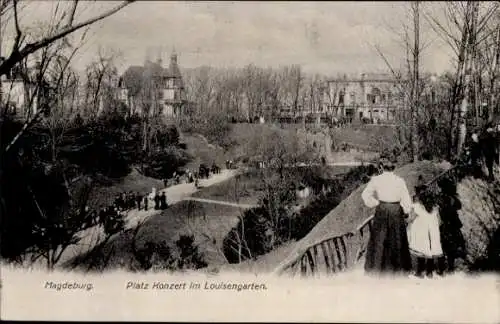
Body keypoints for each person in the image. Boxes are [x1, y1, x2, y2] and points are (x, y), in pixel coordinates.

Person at [361, 155, 413, 276]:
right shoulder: (400, 181)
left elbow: (365, 195)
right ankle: (397, 269)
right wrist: (406, 211)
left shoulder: (376, 180)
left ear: (382, 167)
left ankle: (378, 268)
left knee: (380, 238)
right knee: (396, 239)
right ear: (394, 167)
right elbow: (406, 200)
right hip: (395, 211)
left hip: (382, 210)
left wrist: (376, 203)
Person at [407, 186, 445, 278]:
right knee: (431, 251)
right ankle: (430, 272)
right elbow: (440, 222)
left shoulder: (416, 207)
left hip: (422, 234)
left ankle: (419, 272)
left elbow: (410, 219)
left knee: (420, 251)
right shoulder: (435, 208)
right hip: (433, 234)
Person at [437, 176, 465, 273]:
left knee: (444, 245)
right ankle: (450, 266)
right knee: (451, 245)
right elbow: (459, 206)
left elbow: (443, 210)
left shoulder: (444, 198)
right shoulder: (452, 197)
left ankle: (443, 267)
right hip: (452, 224)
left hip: (446, 224)